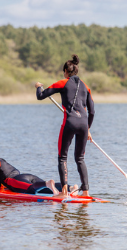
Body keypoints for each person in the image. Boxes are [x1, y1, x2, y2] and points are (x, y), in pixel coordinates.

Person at [35, 54, 95, 198]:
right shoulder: (86, 87)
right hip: (83, 124)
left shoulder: (63, 82)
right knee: (80, 158)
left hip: (69, 122)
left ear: (66, 72)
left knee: (62, 157)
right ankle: (86, 192)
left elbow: (41, 96)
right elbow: (92, 111)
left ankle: (63, 192)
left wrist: (38, 87)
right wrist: (88, 129)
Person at [0, 151, 72, 196]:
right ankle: (70, 188)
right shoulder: (3, 161)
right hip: (26, 176)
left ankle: (47, 183)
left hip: (15, 180)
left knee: (31, 190)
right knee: (45, 190)